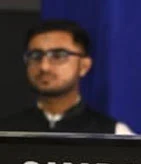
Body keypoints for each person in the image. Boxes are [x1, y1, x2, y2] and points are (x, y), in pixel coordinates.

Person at [0, 20, 133, 135]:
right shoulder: (7, 132)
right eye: (36, 56)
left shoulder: (113, 133)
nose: (44, 66)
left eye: (58, 55)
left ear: (84, 66)